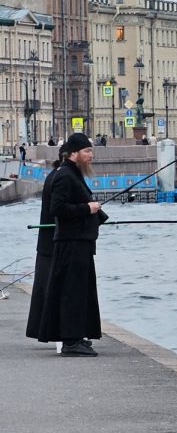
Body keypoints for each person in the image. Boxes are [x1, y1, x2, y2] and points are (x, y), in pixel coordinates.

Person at [38, 133, 107, 357]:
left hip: (80, 242)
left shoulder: (73, 174)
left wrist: (93, 210)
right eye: (87, 151)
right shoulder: (65, 176)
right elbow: (57, 208)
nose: (91, 155)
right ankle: (70, 342)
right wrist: (87, 209)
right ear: (74, 153)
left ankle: (77, 335)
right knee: (71, 292)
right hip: (71, 243)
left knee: (80, 292)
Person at [26, 144, 67, 340]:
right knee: (50, 289)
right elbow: (59, 209)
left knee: (44, 288)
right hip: (54, 242)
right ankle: (54, 333)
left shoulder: (53, 176)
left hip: (47, 241)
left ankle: (45, 330)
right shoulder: (60, 178)